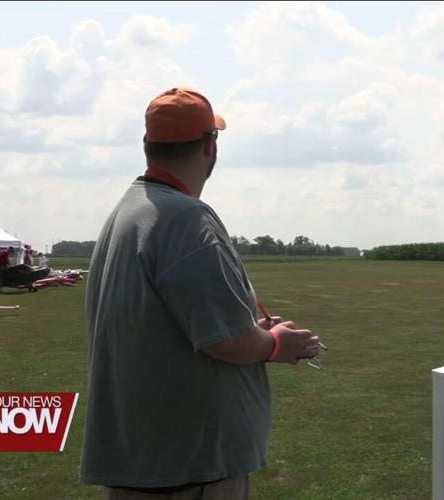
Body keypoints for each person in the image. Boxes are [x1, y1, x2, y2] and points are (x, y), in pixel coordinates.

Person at [81, 86, 322, 500]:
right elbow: (227, 340)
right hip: (188, 471)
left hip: (149, 463)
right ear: (210, 146)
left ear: (147, 145)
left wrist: (253, 331)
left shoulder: (128, 210)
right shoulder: (185, 217)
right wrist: (278, 343)